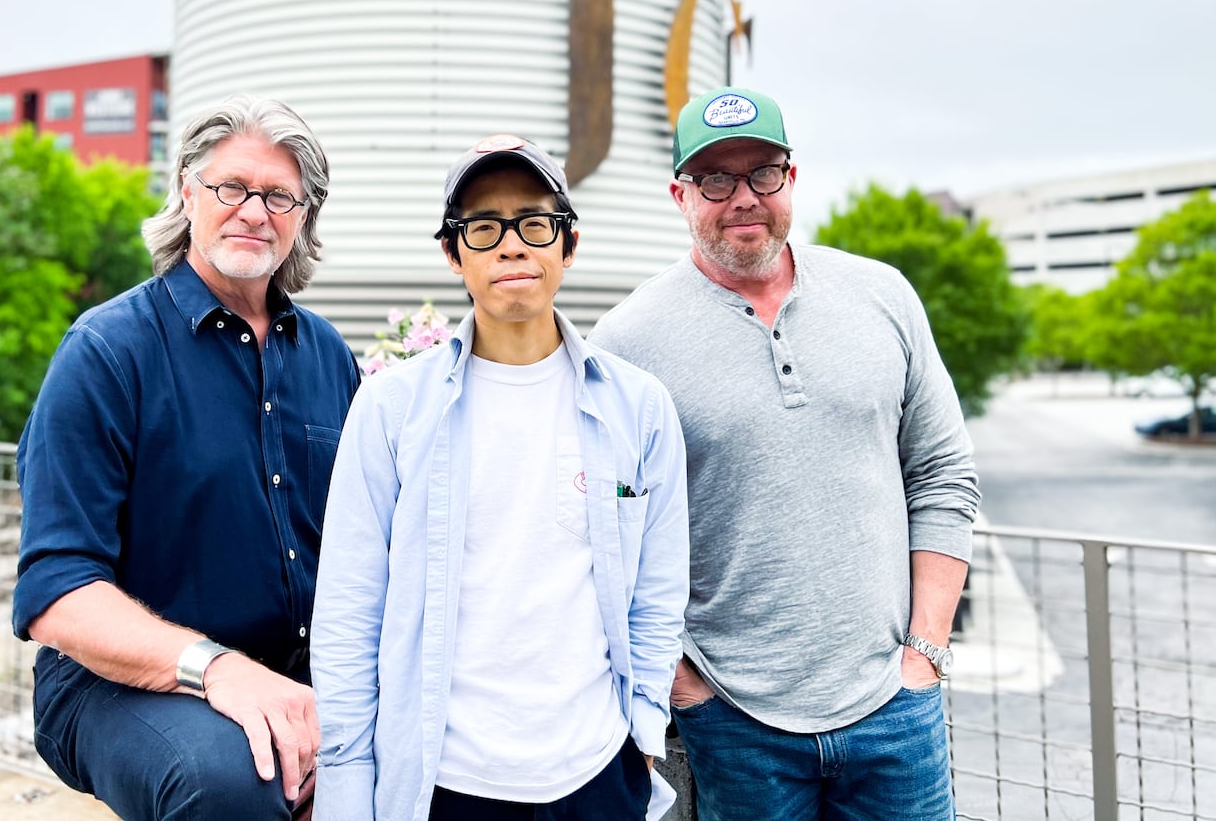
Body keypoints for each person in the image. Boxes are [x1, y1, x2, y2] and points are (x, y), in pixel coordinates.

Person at [592, 87, 980, 821]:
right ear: (680, 195)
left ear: (792, 181)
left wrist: (924, 656)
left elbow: (942, 475)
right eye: (716, 179)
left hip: (896, 711)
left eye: (762, 173)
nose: (743, 198)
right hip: (736, 723)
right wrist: (684, 684)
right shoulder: (626, 343)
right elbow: (609, 530)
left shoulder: (883, 298)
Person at [311, 134, 689, 821]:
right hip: (443, 783)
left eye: (534, 223)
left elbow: (659, 590)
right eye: (483, 228)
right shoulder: (392, 409)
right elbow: (348, 612)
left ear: (567, 245)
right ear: (454, 254)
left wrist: (644, 736)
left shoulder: (639, 408)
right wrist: (346, 787)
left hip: (598, 774)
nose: (512, 245)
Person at [12, 96, 361, 821]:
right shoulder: (106, 352)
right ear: (186, 190)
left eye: (278, 195)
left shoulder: (330, 358)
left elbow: (365, 550)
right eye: (231, 187)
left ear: (303, 215)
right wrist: (220, 670)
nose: (253, 211)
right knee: (232, 782)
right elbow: (56, 592)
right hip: (117, 682)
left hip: (295, 675)